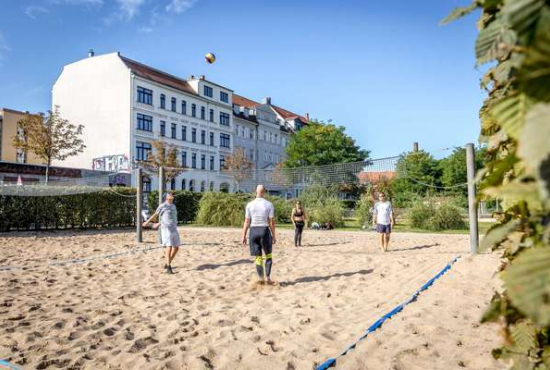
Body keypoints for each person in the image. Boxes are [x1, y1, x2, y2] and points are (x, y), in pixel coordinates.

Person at [241, 185, 277, 284]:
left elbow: (247, 221)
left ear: (255, 192)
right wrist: (274, 236)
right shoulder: (269, 204)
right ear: (264, 192)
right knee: (268, 255)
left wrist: (243, 236)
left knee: (258, 257)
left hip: (253, 231)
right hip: (264, 230)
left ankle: (261, 278)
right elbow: (271, 223)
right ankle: (268, 277)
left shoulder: (249, 204)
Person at [143, 192, 181, 274]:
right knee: (169, 247)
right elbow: (155, 215)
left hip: (174, 228)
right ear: (166, 198)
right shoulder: (162, 205)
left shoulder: (173, 206)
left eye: (171, 194)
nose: (171, 195)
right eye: (169, 194)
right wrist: (147, 222)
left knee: (176, 247)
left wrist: (159, 223)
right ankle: (169, 268)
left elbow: (169, 218)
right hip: (166, 229)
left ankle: (167, 263)